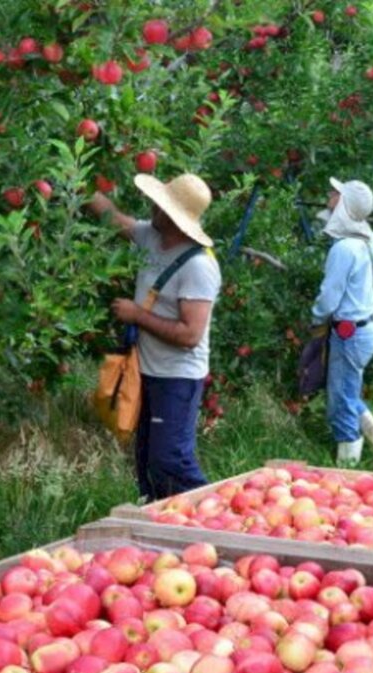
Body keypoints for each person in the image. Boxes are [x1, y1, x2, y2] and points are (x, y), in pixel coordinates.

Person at [88, 173, 221, 501]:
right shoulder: (151, 236)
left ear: (174, 217)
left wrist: (137, 316)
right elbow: (113, 218)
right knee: (147, 459)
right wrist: (76, 183)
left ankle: (211, 516)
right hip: (145, 371)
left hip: (177, 377)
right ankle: (160, 523)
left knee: (170, 460)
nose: (152, 206)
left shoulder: (198, 267)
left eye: (160, 205)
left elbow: (190, 334)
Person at [311, 177, 373, 467]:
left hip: (349, 332)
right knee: (347, 391)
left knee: (341, 401)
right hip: (364, 329)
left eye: (337, 195)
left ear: (345, 205)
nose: (330, 196)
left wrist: (316, 318)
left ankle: (347, 465)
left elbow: (330, 296)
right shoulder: (367, 237)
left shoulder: (344, 249)